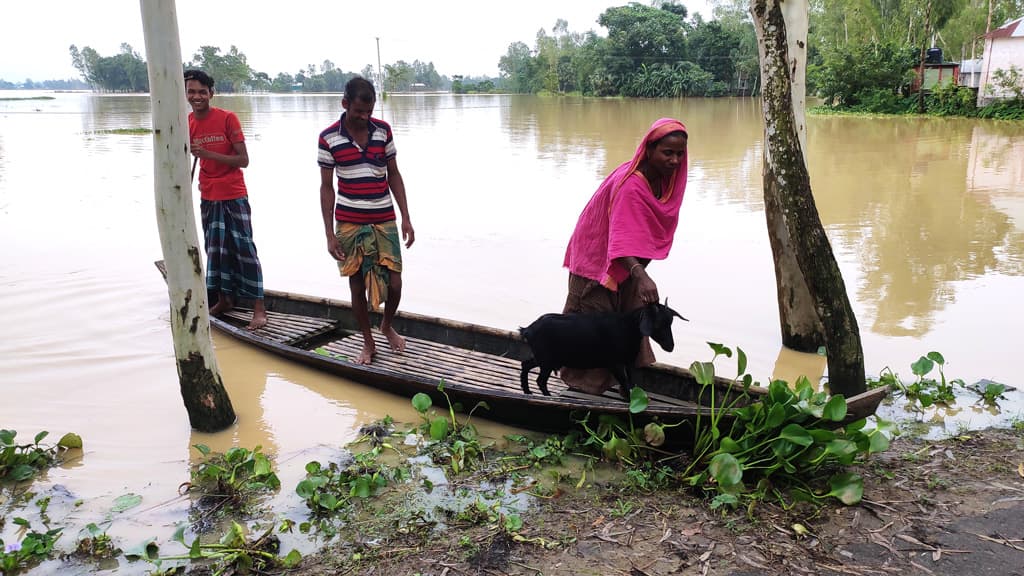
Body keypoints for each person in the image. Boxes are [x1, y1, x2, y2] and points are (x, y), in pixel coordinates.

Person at [560, 118, 689, 395]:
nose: (675, 160)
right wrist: (640, 275)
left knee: (629, 323)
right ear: (649, 150)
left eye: (680, 153)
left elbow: (640, 234)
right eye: (667, 153)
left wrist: (637, 273)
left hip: (628, 265)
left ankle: (624, 383)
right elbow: (618, 238)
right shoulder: (631, 185)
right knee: (597, 329)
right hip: (598, 263)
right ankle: (582, 392)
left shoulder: (661, 184)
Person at [318, 77, 415, 365]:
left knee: (395, 283)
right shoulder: (328, 137)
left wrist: (406, 217)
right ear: (345, 104)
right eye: (358, 111)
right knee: (357, 287)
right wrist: (329, 234)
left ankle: (386, 325)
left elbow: (394, 174)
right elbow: (326, 187)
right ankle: (368, 342)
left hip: (384, 218)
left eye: (368, 112)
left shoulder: (383, 131)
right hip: (348, 222)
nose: (364, 117)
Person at [184, 69, 268, 330]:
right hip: (208, 195)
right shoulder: (186, 122)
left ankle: (259, 309)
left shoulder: (228, 118)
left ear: (211, 93)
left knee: (245, 250)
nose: (196, 97)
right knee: (215, 251)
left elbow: (243, 160)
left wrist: (207, 152)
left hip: (233, 194)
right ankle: (224, 299)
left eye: (201, 91)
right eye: (191, 92)